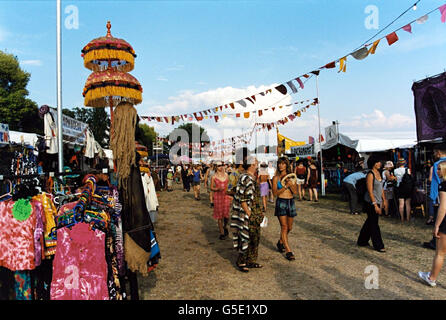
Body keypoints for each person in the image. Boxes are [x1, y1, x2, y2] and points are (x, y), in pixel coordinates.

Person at [230, 156, 264, 272]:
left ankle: (251, 260)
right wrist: (249, 214)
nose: (258, 162)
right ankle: (241, 261)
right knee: (246, 236)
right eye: (255, 161)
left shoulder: (253, 177)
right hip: (248, 212)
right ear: (251, 165)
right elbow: (243, 199)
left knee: (255, 237)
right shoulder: (246, 178)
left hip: (255, 211)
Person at [418, 161, 446, 287]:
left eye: (439, 169)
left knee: (440, 252)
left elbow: (443, 207)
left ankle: (432, 278)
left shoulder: (443, 186)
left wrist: (436, 225)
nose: (437, 171)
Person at [357, 155, 386, 253]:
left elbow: (381, 188)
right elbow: (370, 191)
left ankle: (362, 240)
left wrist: (384, 200)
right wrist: (375, 204)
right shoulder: (370, 174)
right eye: (378, 162)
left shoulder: (379, 173)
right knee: (374, 224)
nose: (380, 164)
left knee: (370, 222)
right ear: (373, 163)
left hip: (378, 200)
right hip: (370, 202)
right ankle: (378, 245)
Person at [272, 157, 298, 261]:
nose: (281, 166)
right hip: (281, 202)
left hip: (290, 201)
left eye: (283, 164)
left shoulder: (291, 177)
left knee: (290, 227)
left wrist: (291, 184)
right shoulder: (276, 178)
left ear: (286, 165)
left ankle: (280, 241)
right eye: (279, 164)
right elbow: (274, 193)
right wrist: (285, 186)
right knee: (284, 226)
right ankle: (288, 250)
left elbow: (295, 192)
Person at [424, 143, 446, 250]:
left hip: (439, 194)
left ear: (438, 152)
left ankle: (435, 241)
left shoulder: (438, 165)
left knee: (439, 217)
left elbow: (439, 180)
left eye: (434, 152)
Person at [211, 162, 231, 240]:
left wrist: (230, 194)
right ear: (216, 167)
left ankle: (225, 226)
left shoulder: (226, 175)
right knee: (220, 216)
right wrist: (217, 189)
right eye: (219, 166)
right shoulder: (214, 177)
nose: (221, 167)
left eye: (222, 165)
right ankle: (222, 232)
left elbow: (229, 185)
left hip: (226, 196)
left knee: (226, 215)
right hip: (218, 196)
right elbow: (211, 187)